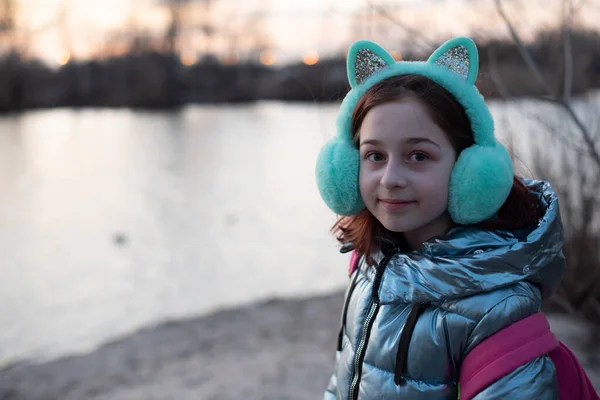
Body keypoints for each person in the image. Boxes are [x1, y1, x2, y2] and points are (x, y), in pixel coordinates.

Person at [315, 37, 566, 399]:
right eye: (375, 155)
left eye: (418, 156)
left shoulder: (498, 310)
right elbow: (345, 382)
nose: (390, 178)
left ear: (469, 170)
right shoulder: (369, 263)